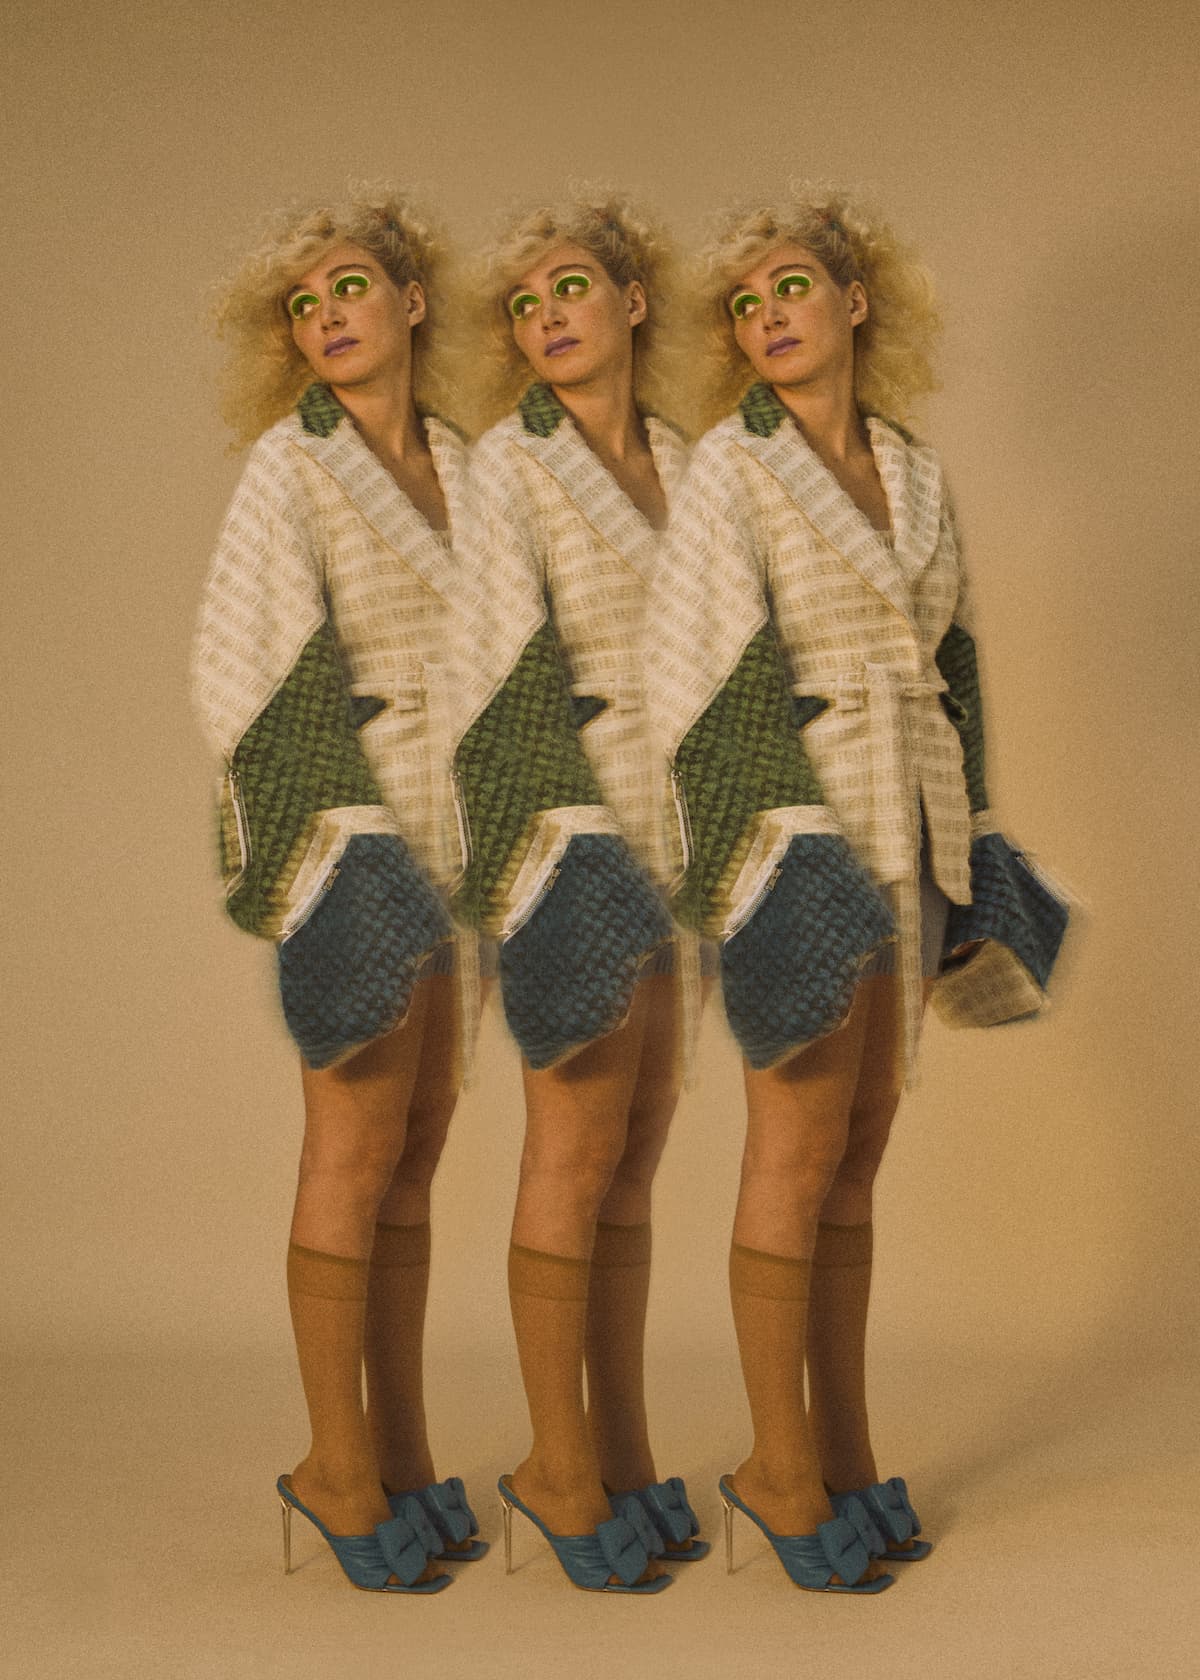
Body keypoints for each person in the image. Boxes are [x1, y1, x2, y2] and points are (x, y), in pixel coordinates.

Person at [648, 187, 1068, 1594]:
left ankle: (842, 1450)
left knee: (861, 1142)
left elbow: (957, 664)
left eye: (791, 287)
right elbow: (693, 682)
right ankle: (777, 1468)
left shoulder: (913, 469)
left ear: (856, 300)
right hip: (798, 837)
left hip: (916, 824)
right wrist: (781, 856)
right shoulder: (731, 468)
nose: (767, 316)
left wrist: (979, 837)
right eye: (745, 303)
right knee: (796, 1139)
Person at [192, 189, 487, 1594]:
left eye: (349, 286)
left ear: (412, 300)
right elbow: (238, 671)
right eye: (302, 305)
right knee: (353, 1145)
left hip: (458, 829)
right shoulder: (288, 467)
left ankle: (403, 1453)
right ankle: (333, 1464)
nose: (326, 317)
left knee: (419, 1144)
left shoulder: (470, 466)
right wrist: (338, 844)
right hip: (350, 828)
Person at [450, 196, 707, 1593]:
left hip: (678, 839)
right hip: (569, 834)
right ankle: (558, 1468)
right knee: (572, 1142)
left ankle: (620, 1451)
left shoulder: (689, 460)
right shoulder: (511, 465)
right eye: (525, 302)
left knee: (637, 1144)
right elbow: (493, 679)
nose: (546, 316)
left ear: (632, 299)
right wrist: (548, 867)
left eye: (570, 287)